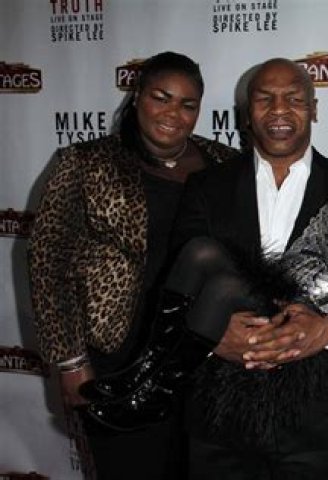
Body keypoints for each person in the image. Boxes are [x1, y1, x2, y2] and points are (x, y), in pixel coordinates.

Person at [80, 134, 328, 433]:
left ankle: (157, 387)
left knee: (222, 286)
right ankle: (146, 371)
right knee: (200, 251)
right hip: (278, 291)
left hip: (291, 328)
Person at [169, 58, 328, 480]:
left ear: (314, 109)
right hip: (220, 421)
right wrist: (209, 337)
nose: (279, 110)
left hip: (318, 423)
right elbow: (178, 283)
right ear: (246, 115)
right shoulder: (206, 187)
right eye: (265, 99)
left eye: (294, 99)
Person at [28, 51, 238, 480]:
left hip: (205, 354)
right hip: (116, 357)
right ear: (138, 95)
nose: (173, 114)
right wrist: (70, 361)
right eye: (161, 97)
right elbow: (49, 261)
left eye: (187, 104)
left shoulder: (225, 163)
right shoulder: (86, 162)